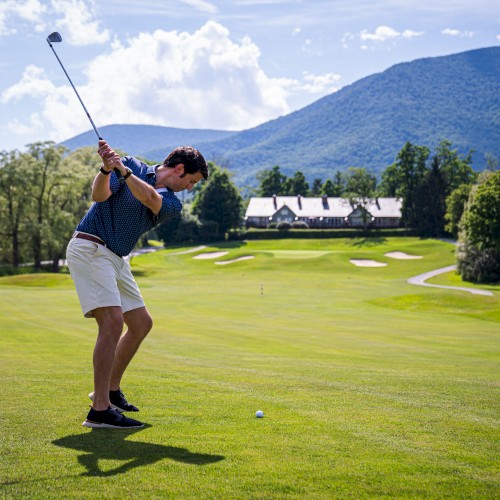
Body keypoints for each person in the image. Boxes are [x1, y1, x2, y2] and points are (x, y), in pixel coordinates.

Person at [66, 140, 208, 428]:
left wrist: (123, 172)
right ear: (179, 169)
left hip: (116, 257)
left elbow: (151, 200)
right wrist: (107, 170)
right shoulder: (131, 165)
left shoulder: (171, 203)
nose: (190, 188)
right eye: (191, 181)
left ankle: (110, 391)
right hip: (92, 247)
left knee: (141, 323)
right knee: (112, 323)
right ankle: (99, 410)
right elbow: (99, 196)